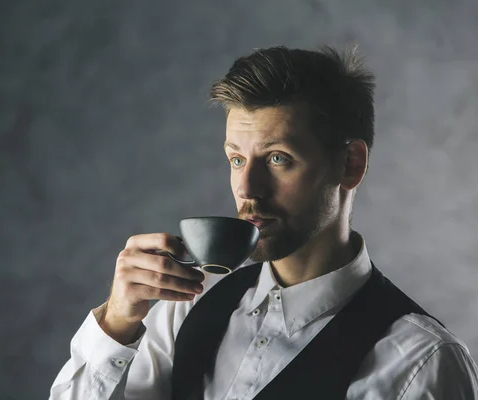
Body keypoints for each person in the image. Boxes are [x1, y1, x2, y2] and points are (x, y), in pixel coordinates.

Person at [49, 45, 478, 399]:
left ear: (350, 164)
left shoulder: (422, 363)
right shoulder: (184, 312)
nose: (247, 189)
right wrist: (117, 324)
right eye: (236, 159)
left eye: (278, 158)